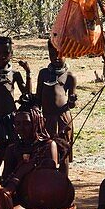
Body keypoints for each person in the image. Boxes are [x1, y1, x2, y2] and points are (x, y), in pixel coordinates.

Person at [0, 36, 30, 179]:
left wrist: (28, 73)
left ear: (11, 54)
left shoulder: (14, 74)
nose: (2, 56)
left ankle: (9, 178)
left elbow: (27, 93)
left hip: (12, 118)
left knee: (12, 148)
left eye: (6, 53)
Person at [36, 40, 77, 174]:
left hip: (63, 118)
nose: (57, 57)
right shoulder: (43, 74)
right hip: (47, 117)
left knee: (63, 150)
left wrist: (72, 100)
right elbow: (38, 98)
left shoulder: (70, 76)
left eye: (60, 54)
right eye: (53, 54)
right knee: (47, 150)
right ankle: (50, 180)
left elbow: (72, 104)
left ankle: (63, 181)